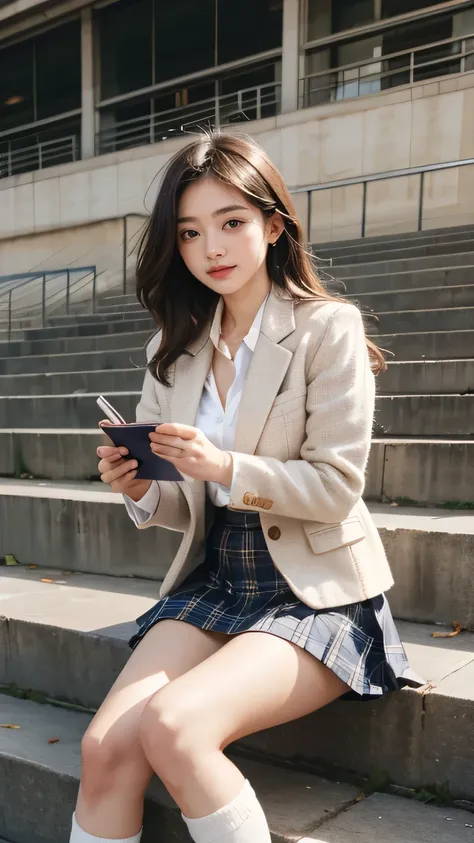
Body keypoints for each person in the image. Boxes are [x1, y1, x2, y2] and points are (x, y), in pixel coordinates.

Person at [71, 132, 420, 843]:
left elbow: (335, 486)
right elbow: (181, 503)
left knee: (175, 726)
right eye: (191, 232)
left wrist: (222, 465)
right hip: (217, 576)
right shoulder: (173, 348)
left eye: (231, 222)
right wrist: (139, 483)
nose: (212, 248)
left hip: (315, 587)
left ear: (273, 223)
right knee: (105, 749)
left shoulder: (327, 329)